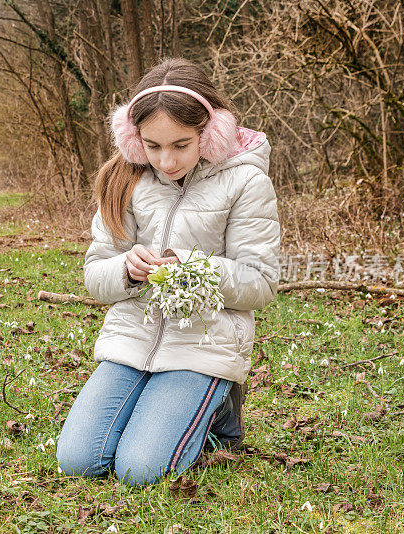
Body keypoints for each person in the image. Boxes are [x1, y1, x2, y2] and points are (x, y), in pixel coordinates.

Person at [55, 58, 281, 487]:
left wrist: (195, 269)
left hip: (203, 344)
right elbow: (94, 274)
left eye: (180, 144)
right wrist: (126, 268)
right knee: (77, 462)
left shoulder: (247, 183)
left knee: (141, 472)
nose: (166, 160)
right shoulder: (124, 179)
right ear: (134, 137)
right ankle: (160, 409)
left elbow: (261, 283)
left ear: (209, 133)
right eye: (152, 145)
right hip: (131, 340)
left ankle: (215, 414)